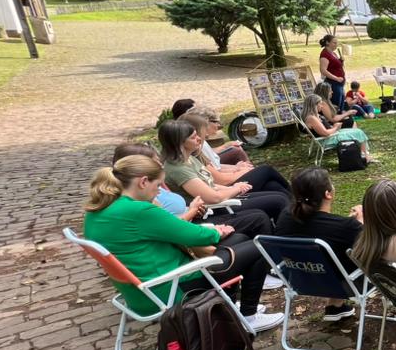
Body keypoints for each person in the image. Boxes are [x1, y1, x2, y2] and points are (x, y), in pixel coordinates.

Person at [82, 154, 283, 333]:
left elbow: (171, 232)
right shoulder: (139, 211)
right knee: (257, 247)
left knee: (239, 240)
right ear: (143, 182)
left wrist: (210, 232)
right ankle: (249, 316)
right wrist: (216, 231)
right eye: (157, 186)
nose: (158, 192)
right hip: (172, 287)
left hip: (139, 293)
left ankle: (229, 306)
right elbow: (193, 236)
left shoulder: (97, 211)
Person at [273, 167, 367, 321]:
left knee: (332, 256)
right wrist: (362, 222)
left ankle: (335, 306)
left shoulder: (285, 217)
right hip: (344, 284)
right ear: (328, 194)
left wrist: (349, 223)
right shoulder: (346, 227)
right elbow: (371, 245)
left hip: (301, 281)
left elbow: (323, 230)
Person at [158, 119, 289, 221]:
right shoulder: (178, 169)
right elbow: (213, 197)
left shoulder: (189, 158)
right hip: (216, 209)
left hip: (225, 197)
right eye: (193, 137)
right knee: (278, 198)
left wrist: (234, 186)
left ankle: (295, 218)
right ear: (179, 143)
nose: (199, 139)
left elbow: (211, 184)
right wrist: (236, 188)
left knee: (275, 188)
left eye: (197, 134)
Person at [181, 108, 292, 194]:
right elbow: (220, 180)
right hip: (228, 189)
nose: (204, 136)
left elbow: (216, 168)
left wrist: (238, 168)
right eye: (203, 130)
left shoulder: (197, 150)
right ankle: (295, 195)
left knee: (273, 186)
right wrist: (242, 171)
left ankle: (295, 202)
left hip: (228, 187)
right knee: (266, 170)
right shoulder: (194, 154)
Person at [299, 93, 374, 163]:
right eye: (320, 104)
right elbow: (325, 133)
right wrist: (336, 127)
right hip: (328, 139)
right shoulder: (312, 118)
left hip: (332, 135)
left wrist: (334, 127)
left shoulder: (313, 116)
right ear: (314, 105)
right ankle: (364, 156)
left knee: (357, 131)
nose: (322, 106)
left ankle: (364, 154)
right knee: (359, 133)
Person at [318, 34, 346, 109]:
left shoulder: (333, 53)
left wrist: (341, 60)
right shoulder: (325, 54)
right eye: (334, 43)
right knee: (336, 105)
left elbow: (337, 66)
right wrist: (336, 78)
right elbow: (323, 70)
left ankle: (341, 115)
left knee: (341, 104)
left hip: (339, 83)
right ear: (327, 43)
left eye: (337, 43)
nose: (336, 45)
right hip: (333, 83)